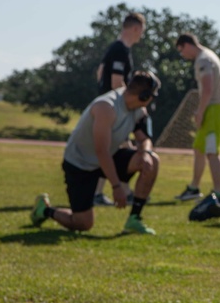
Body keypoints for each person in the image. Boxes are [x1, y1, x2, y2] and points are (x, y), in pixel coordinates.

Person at [30, 71, 162, 236]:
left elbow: (144, 139)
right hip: (81, 163)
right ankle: (45, 210)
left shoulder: (137, 108)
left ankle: (134, 219)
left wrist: (145, 153)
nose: (151, 101)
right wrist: (116, 186)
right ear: (143, 96)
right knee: (83, 224)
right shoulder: (106, 107)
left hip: (109, 155)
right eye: (152, 96)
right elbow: (101, 151)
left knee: (152, 160)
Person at [93, 11, 147, 206]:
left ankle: (122, 190)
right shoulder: (120, 50)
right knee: (116, 150)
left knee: (120, 148)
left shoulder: (115, 48)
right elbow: (117, 82)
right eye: (142, 30)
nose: (142, 34)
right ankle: (101, 193)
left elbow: (100, 74)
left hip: (109, 108)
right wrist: (133, 105)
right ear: (135, 28)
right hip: (114, 110)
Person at [173, 33, 220, 204]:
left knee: (211, 151)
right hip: (215, 108)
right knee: (199, 149)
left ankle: (218, 194)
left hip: (215, 108)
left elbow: (207, 88)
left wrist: (200, 112)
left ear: (187, 44)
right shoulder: (208, 56)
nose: (183, 55)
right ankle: (194, 188)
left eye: (181, 50)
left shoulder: (203, 60)